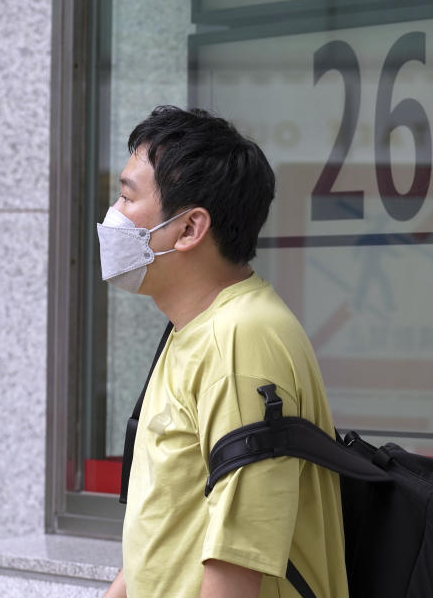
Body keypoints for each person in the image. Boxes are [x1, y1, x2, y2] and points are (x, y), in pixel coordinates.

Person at [99, 106, 347, 598]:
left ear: (190, 229)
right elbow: (171, 525)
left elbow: (237, 568)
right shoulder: (194, 328)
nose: (113, 218)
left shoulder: (240, 343)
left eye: (128, 197)